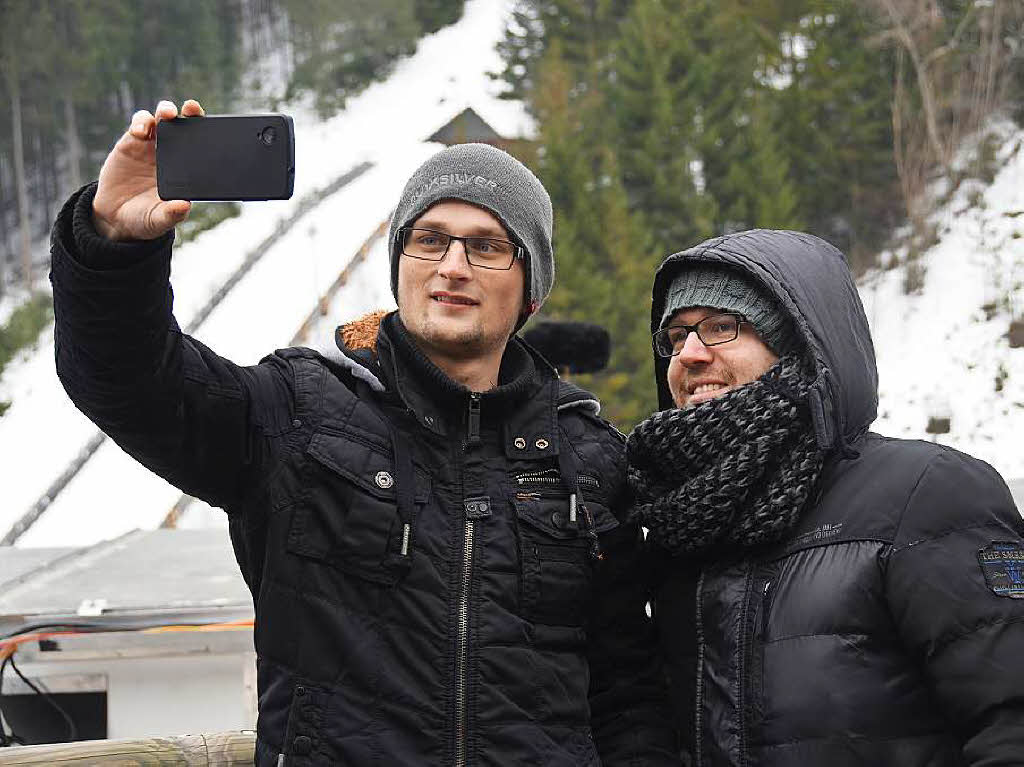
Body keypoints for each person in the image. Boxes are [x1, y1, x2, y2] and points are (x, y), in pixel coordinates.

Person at [50, 99, 679, 766]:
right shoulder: (297, 412)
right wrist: (114, 244)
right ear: (400, 263)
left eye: (489, 246)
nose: (453, 266)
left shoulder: (589, 461)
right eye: (429, 239)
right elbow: (128, 383)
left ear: (533, 290)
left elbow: (625, 696)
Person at [626, 229, 1024, 766]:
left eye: (722, 327)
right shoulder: (679, 533)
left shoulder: (926, 493)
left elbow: (1008, 724)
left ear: (798, 344)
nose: (688, 354)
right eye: (674, 337)